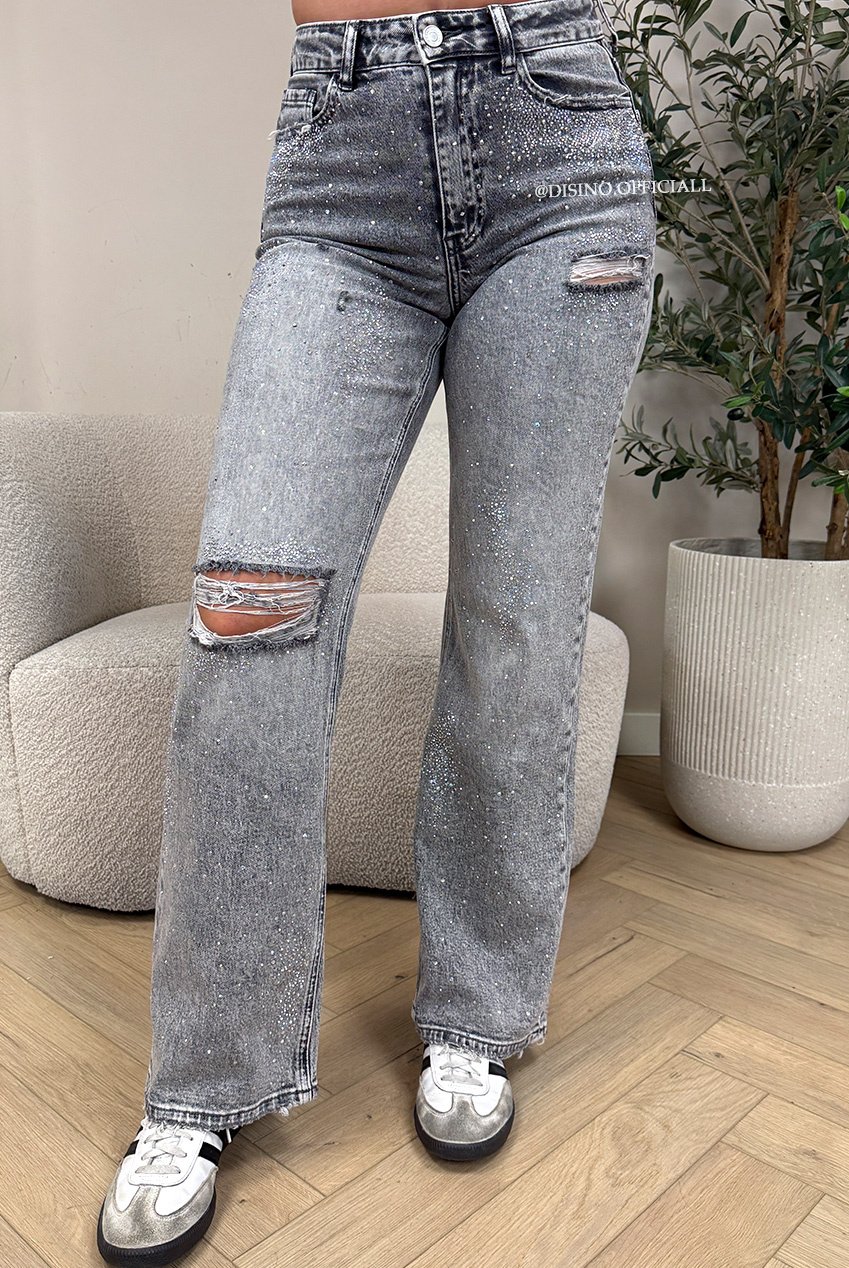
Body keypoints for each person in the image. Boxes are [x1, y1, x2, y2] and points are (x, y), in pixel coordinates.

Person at [96, 0, 655, 1261]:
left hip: (558, 138)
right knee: (247, 618)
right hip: (341, 151)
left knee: (516, 625)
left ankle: (476, 1014)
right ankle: (204, 1077)